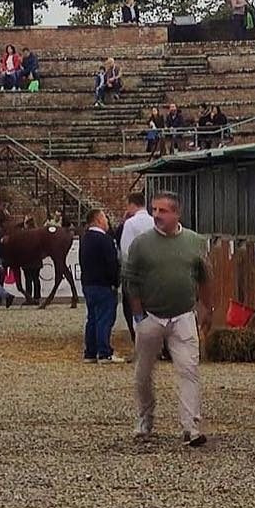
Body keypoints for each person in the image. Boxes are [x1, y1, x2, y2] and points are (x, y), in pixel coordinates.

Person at [123, 191, 212, 447]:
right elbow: (131, 279)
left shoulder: (195, 242)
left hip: (183, 315)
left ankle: (191, 426)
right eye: (154, 210)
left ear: (177, 214)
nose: (156, 215)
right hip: (151, 315)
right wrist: (139, 313)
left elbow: (205, 276)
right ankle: (144, 419)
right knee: (143, 373)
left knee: (189, 370)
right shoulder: (141, 244)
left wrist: (207, 307)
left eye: (163, 211)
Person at [79, 209, 122, 364]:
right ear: (97, 220)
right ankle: (104, 352)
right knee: (105, 318)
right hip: (103, 284)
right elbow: (111, 264)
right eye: (104, 218)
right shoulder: (105, 240)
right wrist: (115, 282)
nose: (107, 222)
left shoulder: (85, 238)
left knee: (92, 318)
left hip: (88, 283)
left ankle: (90, 352)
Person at [119, 192, 156, 340]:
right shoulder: (154, 221)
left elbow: (126, 249)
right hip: (154, 271)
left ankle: (139, 340)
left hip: (135, 273)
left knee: (133, 308)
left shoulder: (130, 223)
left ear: (132, 205)